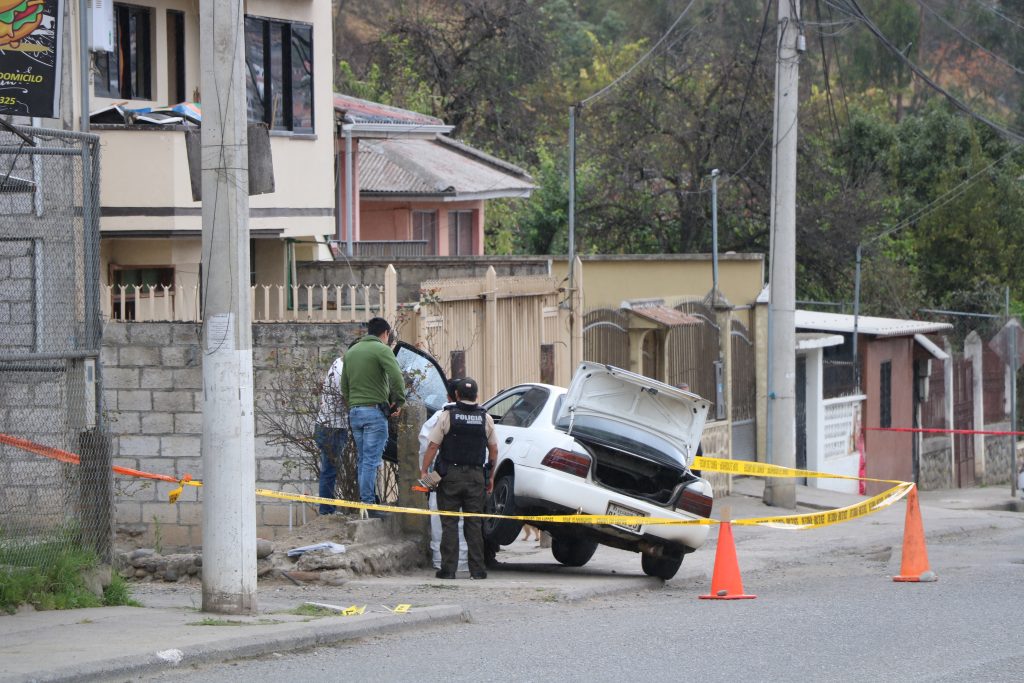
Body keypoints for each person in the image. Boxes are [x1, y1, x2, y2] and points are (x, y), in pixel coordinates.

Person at [421, 377, 498, 579]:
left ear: (456, 395)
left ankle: (448, 570)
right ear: (477, 396)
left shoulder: (447, 416)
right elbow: (494, 449)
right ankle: (478, 571)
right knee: (474, 523)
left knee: (449, 523)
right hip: (476, 476)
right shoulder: (485, 418)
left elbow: (432, 446)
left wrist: (424, 471)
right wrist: (490, 475)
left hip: (451, 477)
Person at [340, 317, 406, 517]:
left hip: (355, 412)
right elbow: (396, 376)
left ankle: (365, 503)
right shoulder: (382, 350)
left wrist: (353, 403)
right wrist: (399, 400)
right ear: (385, 333)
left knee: (363, 460)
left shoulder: (351, 352)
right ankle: (369, 505)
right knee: (370, 461)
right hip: (374, 413)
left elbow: (344, 386)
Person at [314, 355, 348, 515]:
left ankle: (327, 508)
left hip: (325, 424)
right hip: (332, 427)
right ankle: (326, 510)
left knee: (328, 469)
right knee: (329, 470)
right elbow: (347, 397)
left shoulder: (337, 362)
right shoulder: (343, 370)